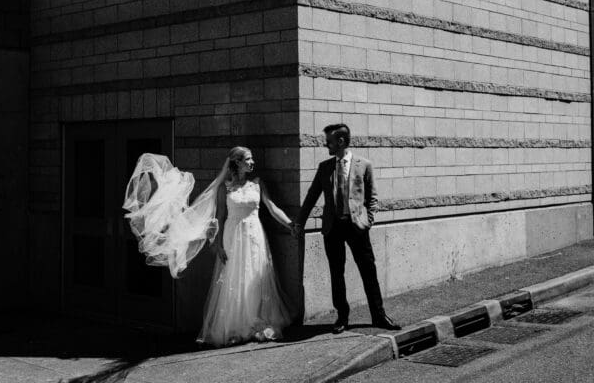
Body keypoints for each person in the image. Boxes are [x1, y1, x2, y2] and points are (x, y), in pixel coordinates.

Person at [123, 147, 294, 347]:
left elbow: (272, 207)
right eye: (248, 159)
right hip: (233, 237)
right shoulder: (225, 188)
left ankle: (256, 321)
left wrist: (290, 224)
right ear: (237, 162)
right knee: (235, 278)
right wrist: (218, 245)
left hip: (255, 235)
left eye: (252, 158)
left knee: (256, 277)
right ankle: (237, 326)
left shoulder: (257, 184)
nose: (252, 162)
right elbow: (220, 217)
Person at [295, 123, 401, 333]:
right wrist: (300, 221)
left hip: (357, 227)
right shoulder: (325, 167)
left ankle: (379, 316)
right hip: (332, 227)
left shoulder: (364, 165)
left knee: (368, 271)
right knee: (337, 273)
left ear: (341, 141)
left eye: (329, 141)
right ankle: (342, 317)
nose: (327, 145)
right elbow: (311, 196)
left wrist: (368, 220)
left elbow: (372, 197)